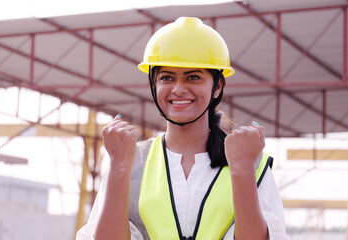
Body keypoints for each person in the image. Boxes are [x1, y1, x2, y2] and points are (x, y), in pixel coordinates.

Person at [76, 17, 289, 240]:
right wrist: (119, 167)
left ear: (217, 86)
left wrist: (243, 170)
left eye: (193, 77)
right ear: (153, 85)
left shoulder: (253, 164)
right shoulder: (129, 160)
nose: (178, 89)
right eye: (167, 77)